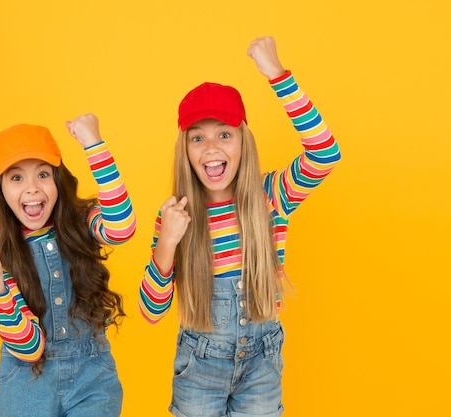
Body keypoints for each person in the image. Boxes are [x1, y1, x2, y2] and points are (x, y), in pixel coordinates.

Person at [138, 36, 341, 417]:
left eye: (224, 134)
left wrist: (277, 75)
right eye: (197, 137)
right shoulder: (176, 216)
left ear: (243, 142)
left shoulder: (272, 195)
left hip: (262, 364)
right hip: (200, 366)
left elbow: (325, 153)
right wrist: (167, 244)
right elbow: (150, 312)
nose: (211, 148)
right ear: (185, 150)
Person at [0, 114, 136, 417]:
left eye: (43, 175)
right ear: (1, 190)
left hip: (92, 378)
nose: (31, 188)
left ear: (58, 181)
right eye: (16, 178)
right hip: (26, 384)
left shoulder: (82, 221)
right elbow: (29, 348)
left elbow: (122, 228)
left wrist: (94, 145)